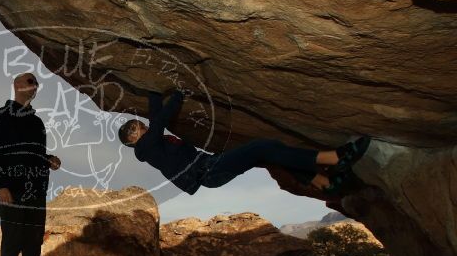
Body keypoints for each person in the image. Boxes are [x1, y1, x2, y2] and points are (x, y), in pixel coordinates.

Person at [118, 90, 370, 196]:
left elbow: (154, 118)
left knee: (267, 154)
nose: (136, 125)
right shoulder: (147, 148)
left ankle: (322, 182)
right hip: (207, 172)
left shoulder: (152, 141)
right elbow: (159, 118)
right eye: (132, 129)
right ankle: (334, 158)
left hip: (209, 166)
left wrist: (151, 91)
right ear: (132, 141)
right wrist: (178, 96)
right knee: (262, 146)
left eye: (133, 123)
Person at [0, 73, 61, 256]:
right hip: (11, 191)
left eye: (36, 83)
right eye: (29, 81)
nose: (34, 86)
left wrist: (49, 159)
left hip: (36, 192)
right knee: (12, 245)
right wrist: (1, 186)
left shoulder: (37, 123)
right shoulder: (0, 116)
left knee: (33, 245)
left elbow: (35, 154)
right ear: (17, 86)